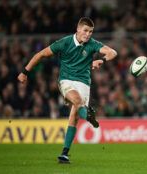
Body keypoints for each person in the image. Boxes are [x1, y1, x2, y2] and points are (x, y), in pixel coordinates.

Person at [18, 17, 117, 163]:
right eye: (85, 30)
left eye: (91, 31)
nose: (88, 34)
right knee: (77, 101)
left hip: (84, 83)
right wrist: (24, 72)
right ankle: (89, 116)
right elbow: (40, 55)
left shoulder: (93, 44)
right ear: (78, 29)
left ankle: (64, 153)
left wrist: (102, 60)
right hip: (66, 80)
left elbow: (112, 52)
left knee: (75, 116)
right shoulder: (64, 43)